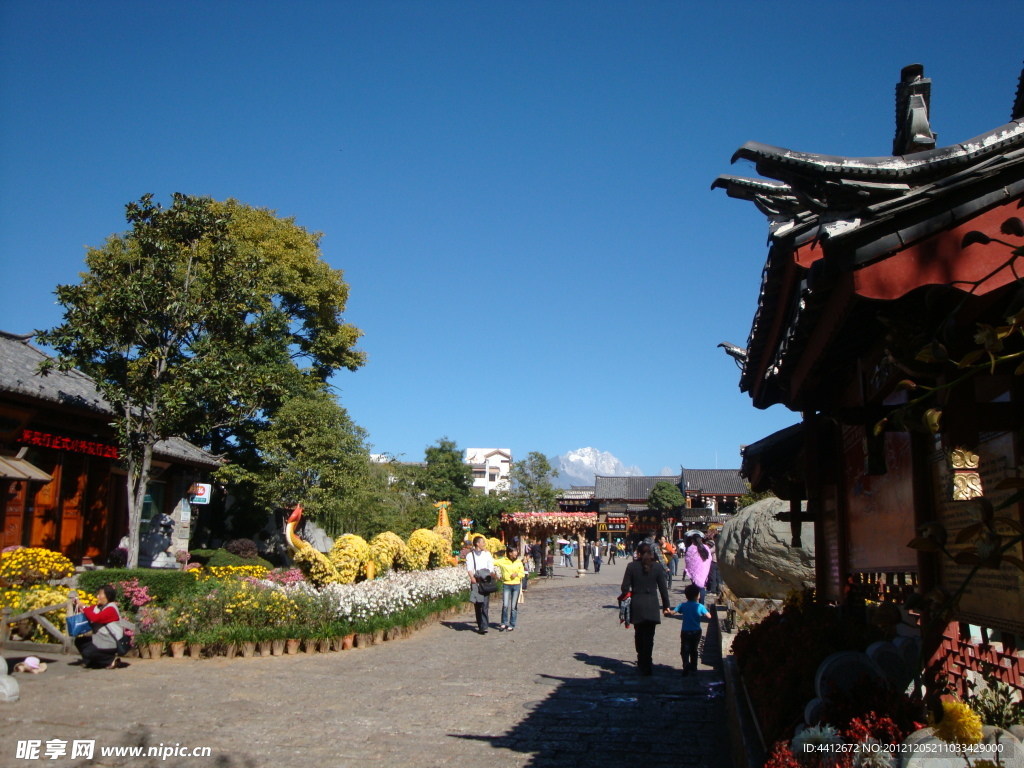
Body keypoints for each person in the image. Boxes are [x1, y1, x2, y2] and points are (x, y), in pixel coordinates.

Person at [619, 542, 671, 676]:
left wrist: (629, 594)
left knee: (639, 633)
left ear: (638, 553)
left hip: (637, 603)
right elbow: (663, 589)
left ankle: (641, 659)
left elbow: (624, 587)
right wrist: (666, 606)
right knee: (649, 636)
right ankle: (647, 662)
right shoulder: (658, 567)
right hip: (652, 604)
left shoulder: (631, 566)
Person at [72, 584, 125, 669]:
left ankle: (110, 660)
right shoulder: (98, 607)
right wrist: (78, 604)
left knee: (88, 652)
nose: (97, 596)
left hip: (109, 641)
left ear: (107, 596)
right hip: (99, 639)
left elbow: (96, 618)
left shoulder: (111, 608)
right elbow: (87, 611)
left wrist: (84, 607)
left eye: (100, 594)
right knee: (79, 641)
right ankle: (92, 663)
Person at [674, 583, 712, 677]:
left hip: (685, 630)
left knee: (685, 649)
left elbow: (673, 612)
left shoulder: (683, 605)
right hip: (696, 631)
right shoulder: (700, 606)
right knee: (694, 650)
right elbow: (709, 616)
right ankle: (694, 667)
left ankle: (686, 663)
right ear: (697, 596)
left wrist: (667, 612)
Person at [466, 536, 497, 634]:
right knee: (478, 604)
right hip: (476, 581)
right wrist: (472, 577)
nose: (484, 544)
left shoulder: (487, 554)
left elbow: (490, 566)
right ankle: (480, 623)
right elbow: (469, 568)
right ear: (477, 544)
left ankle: (484, 626)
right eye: (482, 542)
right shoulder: (470, 555)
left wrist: (492, 574)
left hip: (486, 581)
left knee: (485, 604)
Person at [494, 545, 525, 631]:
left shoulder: (518, 562)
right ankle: (503, 623)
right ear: (510, 553)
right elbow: (492, 562)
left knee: (513, 606)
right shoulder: (503, 561)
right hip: (506, 584)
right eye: (514, 551)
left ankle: (512, 624)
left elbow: (523, 573)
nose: (516, 553)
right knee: (505, 605)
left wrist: (517, 574)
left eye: (516, 551)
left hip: (516, 585)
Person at [684, 533, 713, 605]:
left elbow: (688, 560)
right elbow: (709, 559)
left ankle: (694, 603)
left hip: (694, 571)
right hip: (703, 570)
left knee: (695, 587)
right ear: (701, 539)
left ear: (692, 540)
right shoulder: (706, 547)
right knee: (702, 587)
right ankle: (701, 604)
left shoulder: (691, 548)